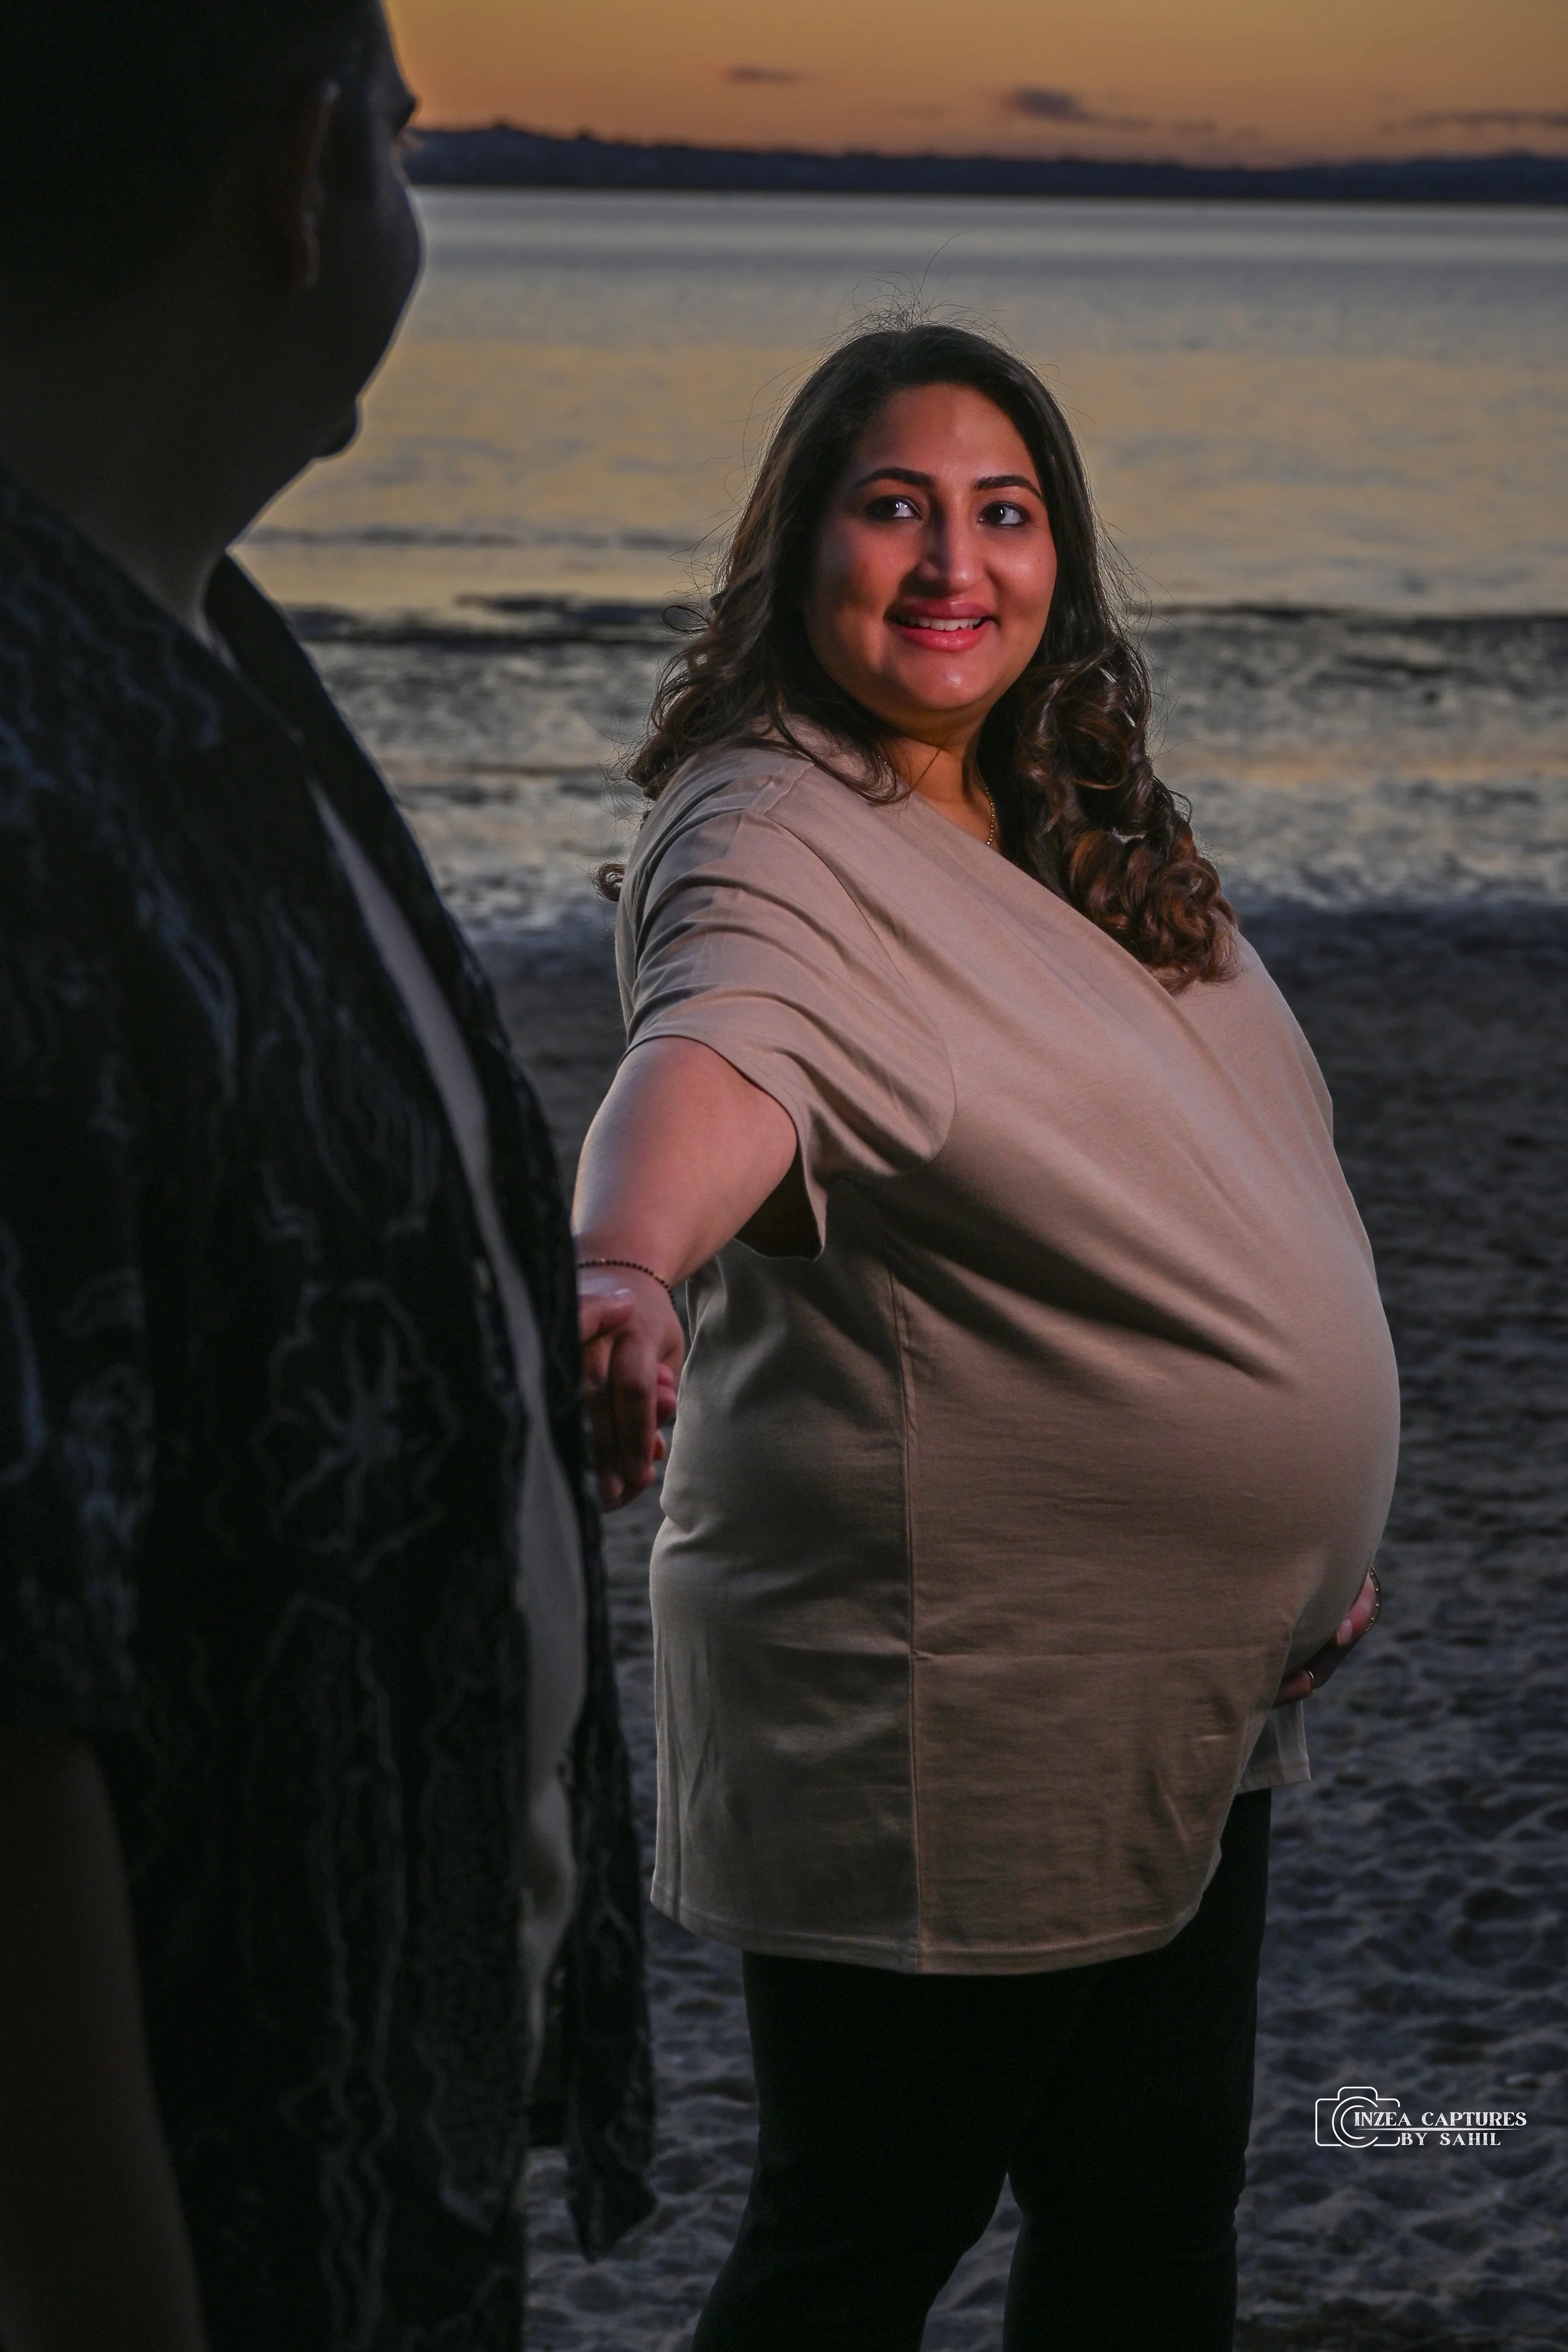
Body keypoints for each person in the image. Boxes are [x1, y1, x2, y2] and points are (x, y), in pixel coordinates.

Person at [573, 322, 1397, 2350]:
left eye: (1003, 512)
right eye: (896, 506)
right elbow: (715, 1048)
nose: (957, 561)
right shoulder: (774, 831)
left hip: (1190, 1683)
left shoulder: (1061, 816)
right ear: (800, 550)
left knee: (1143, 2220)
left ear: (1061, 559)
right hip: (959, 1688)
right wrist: (621, 1265)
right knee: (866, 2235)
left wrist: (1295, 1537)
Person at [0, 4, 651, 2346]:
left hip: (384, 2155)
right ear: (300, 184)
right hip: (207, 2210)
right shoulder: (26, 774)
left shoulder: (198, 653)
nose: (399, 182)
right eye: (397, 134)